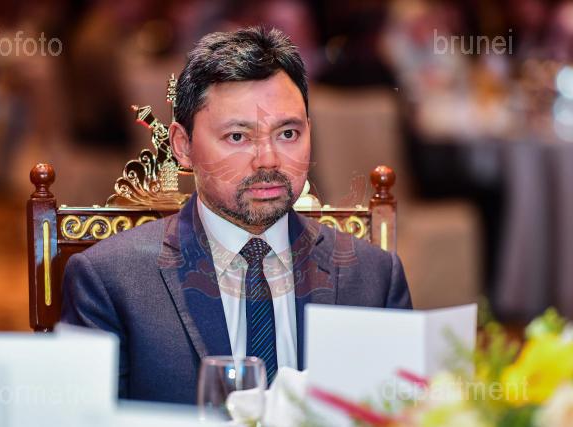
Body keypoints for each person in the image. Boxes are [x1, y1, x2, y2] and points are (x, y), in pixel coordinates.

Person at [61, 26, 412, 404]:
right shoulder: (112, 281)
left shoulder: (373, 277)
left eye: (288, 134)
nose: (268, 160)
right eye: (238, 137)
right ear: (182, 146)